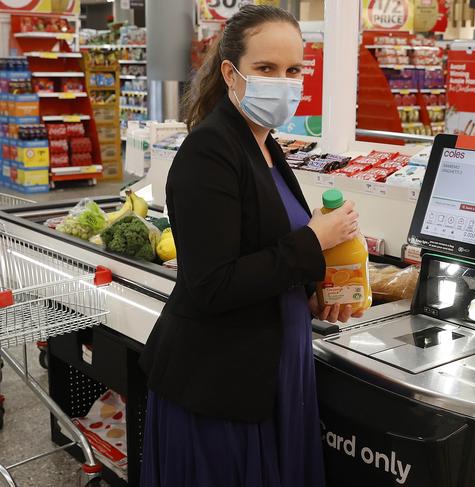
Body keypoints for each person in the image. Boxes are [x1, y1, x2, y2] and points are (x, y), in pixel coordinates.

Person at [139, 5, 363, 486]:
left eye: (293, 70)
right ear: (230, 72)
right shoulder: (209, 151)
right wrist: (314, 240)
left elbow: (259, 248)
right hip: (221, 387)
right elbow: (210, 285)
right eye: (265, 69)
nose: (282, 82)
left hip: (272, 369)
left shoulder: (264, 145)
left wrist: (309, 291)